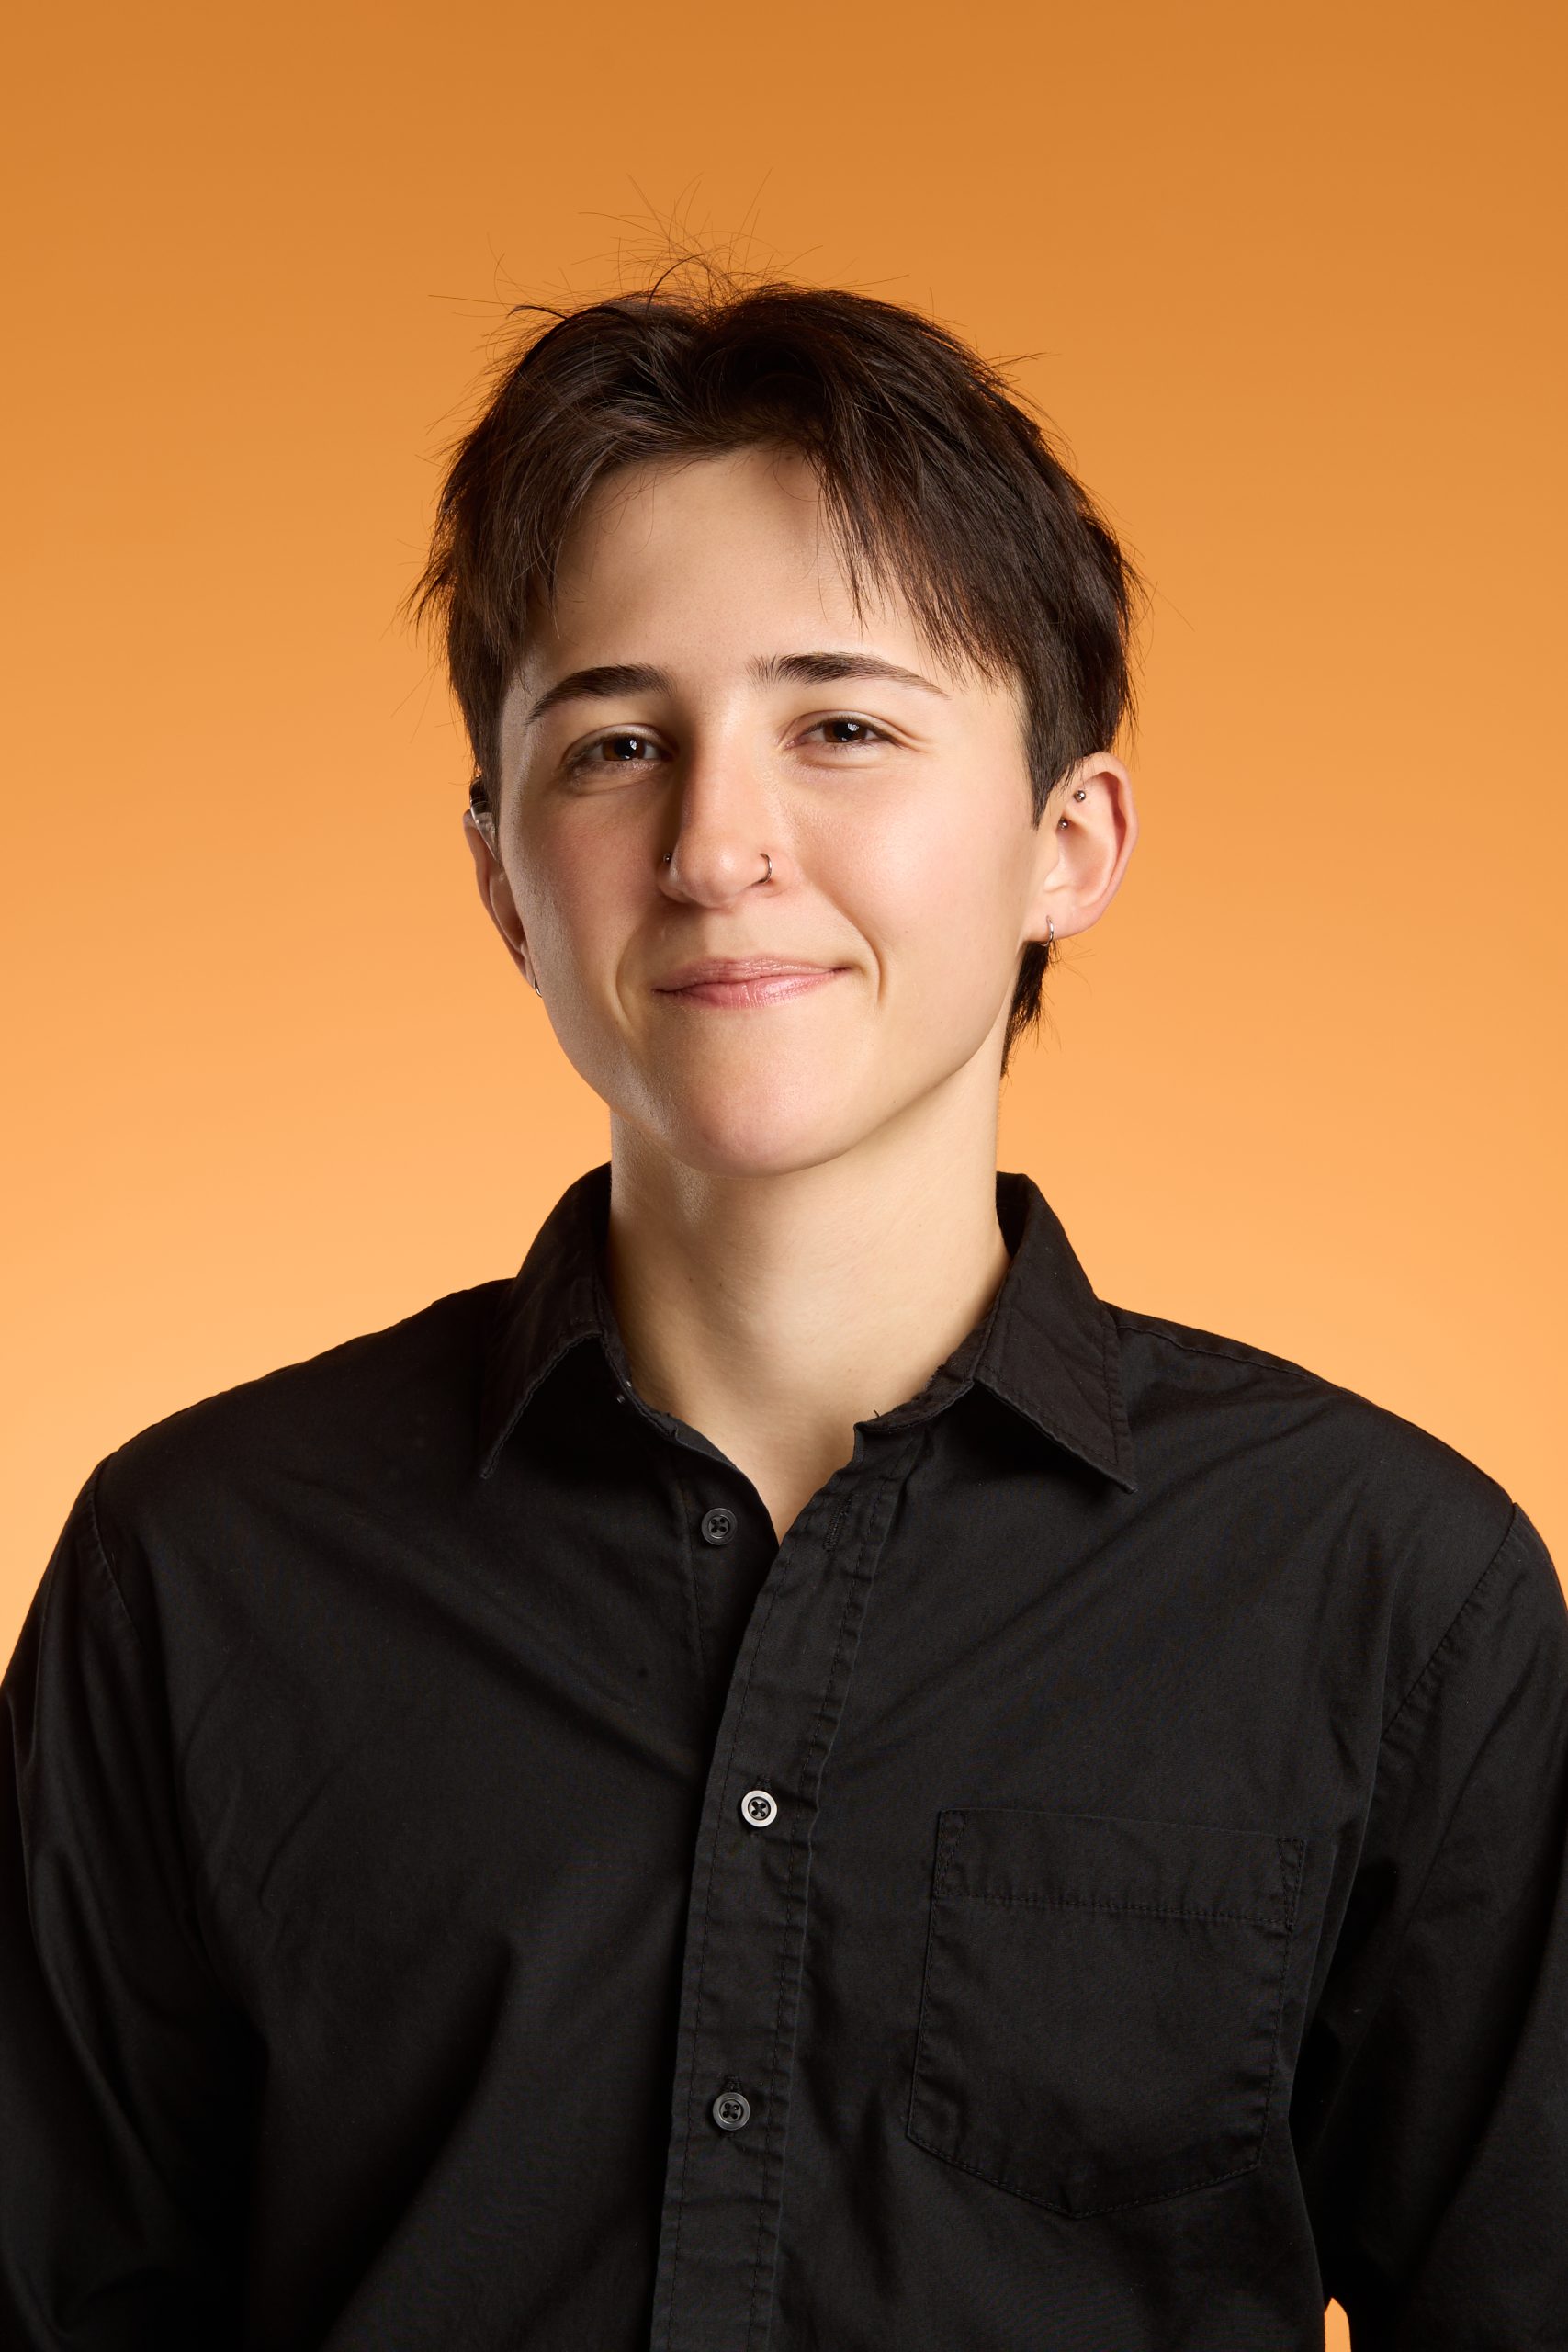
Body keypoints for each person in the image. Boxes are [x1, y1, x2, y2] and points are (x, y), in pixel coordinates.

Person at [3, 263, 1564, 2352]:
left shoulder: (1388, 1592)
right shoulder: (196, 1570)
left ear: (1068, 839)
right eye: (614, 742)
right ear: (501, 875)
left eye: (841, 726)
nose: (716, 845)